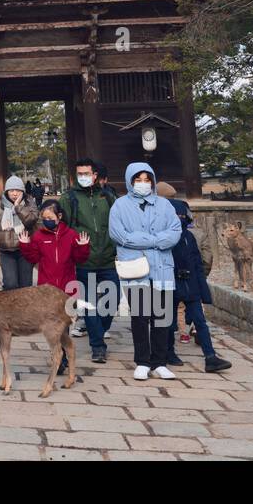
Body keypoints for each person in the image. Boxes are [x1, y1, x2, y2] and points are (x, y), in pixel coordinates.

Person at [108, 162, 182, 382]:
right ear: (130, 181)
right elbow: (120, 235)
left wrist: (146, 241)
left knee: (161, 317)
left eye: (146, 179)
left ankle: (160, 362)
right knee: (140, 317)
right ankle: (142, 360)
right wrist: (154, 241)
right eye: (138, 180)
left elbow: (175, 232)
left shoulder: (165, 205)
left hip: (161, 268)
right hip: (136, 269)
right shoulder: (120, 206)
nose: (143, 184)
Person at [157, 183, 232, 373]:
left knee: (184, 321)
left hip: (187, 282)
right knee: (176, 321)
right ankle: (172, 353)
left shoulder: (187, 236)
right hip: (175, 282)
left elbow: (198, 262)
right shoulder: (173, 235)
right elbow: (201, 262)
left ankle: (209, 356)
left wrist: (201, 287)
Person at [19, 199, 90, 374]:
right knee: (51, 325)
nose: (47, 220)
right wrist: (25, 245)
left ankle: (63, 356)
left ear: (59, 216)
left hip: (67, 288)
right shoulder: (39, 236)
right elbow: (33, 258)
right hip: (47, 290)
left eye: (50, 217)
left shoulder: (71, 235)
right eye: (44, 218)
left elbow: (80, 259)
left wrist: (83, 247)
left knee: (63, 324)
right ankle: (57, 355)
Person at [66, 157, 120, 363]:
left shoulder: (108, 197)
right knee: (89, 305)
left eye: (86, 174)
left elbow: (119, 222)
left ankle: (98, 327)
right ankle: (98, 346)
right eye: (80, 174)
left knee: (113, 301)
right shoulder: (70, 198)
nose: (83, 177)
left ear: (95, 175)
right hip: (84, 260)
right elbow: (63, 226)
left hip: (107, 258)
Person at [0, 175, 39, 289]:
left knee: (25, 285)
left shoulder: (30, 204)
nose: (15, 194)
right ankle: (11, 306)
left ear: (23, 191)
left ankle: (23, 307)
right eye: (12, 190)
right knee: (10, 284)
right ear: (6, 191)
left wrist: (18, 207)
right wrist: (0, 238)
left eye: (18, 190)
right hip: (6, 251)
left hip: (25, 250)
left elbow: (31, 221)